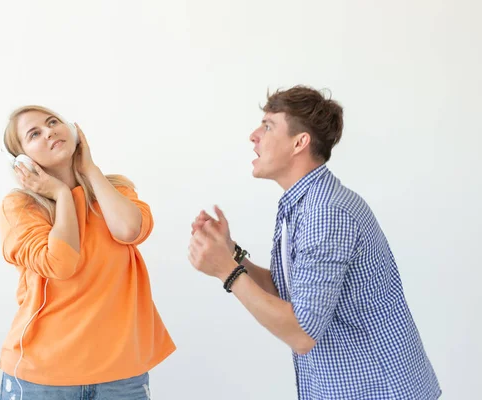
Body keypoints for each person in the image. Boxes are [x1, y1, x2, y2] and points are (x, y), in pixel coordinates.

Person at [188, 86, 441, 400]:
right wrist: (233, 255)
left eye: (267, 126)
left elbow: (302, 333)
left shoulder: (326, 214)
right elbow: (290, 292)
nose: (254, 135)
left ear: (299, 142)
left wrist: (226, 271)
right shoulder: (303, 205)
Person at [0, 105, 175, 400]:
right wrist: (61, 194)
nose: (50, 131)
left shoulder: (116, 189)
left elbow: (129, 230)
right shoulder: (20, 208)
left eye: (53, 122)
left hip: (121, 376)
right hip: (42, 378)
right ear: (22, 160)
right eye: (34, 133)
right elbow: (61, 263)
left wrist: (89, 169)